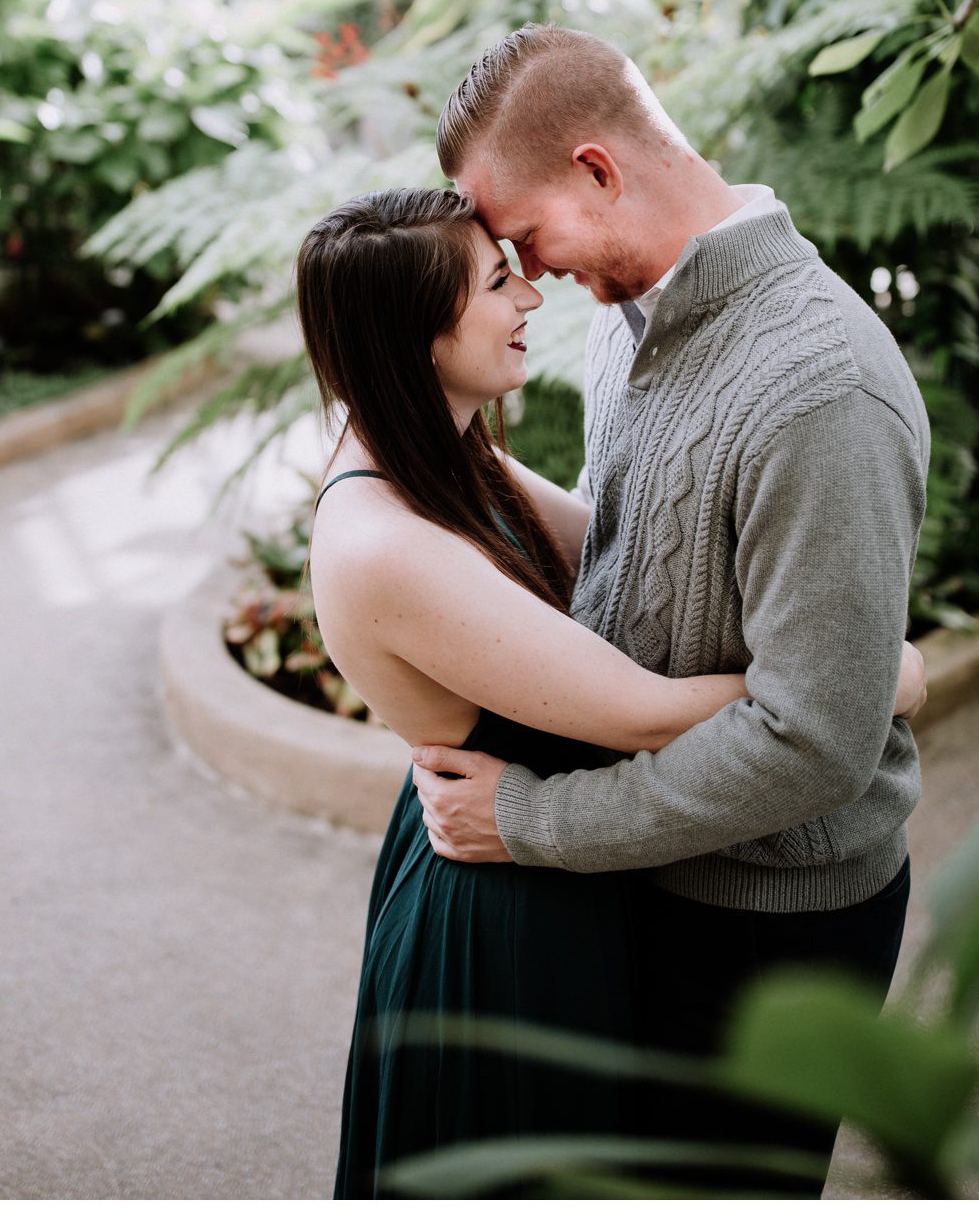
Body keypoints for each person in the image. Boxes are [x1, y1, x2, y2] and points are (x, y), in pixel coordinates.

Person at [296, 186, 926, 1199]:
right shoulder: (382, 539)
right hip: (499, 907)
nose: (532, 296)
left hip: (559, 873)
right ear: (419, 333)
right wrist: (872, 678)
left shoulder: (451, 457)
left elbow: (611, 555)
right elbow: (637, 708)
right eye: (499, 281)